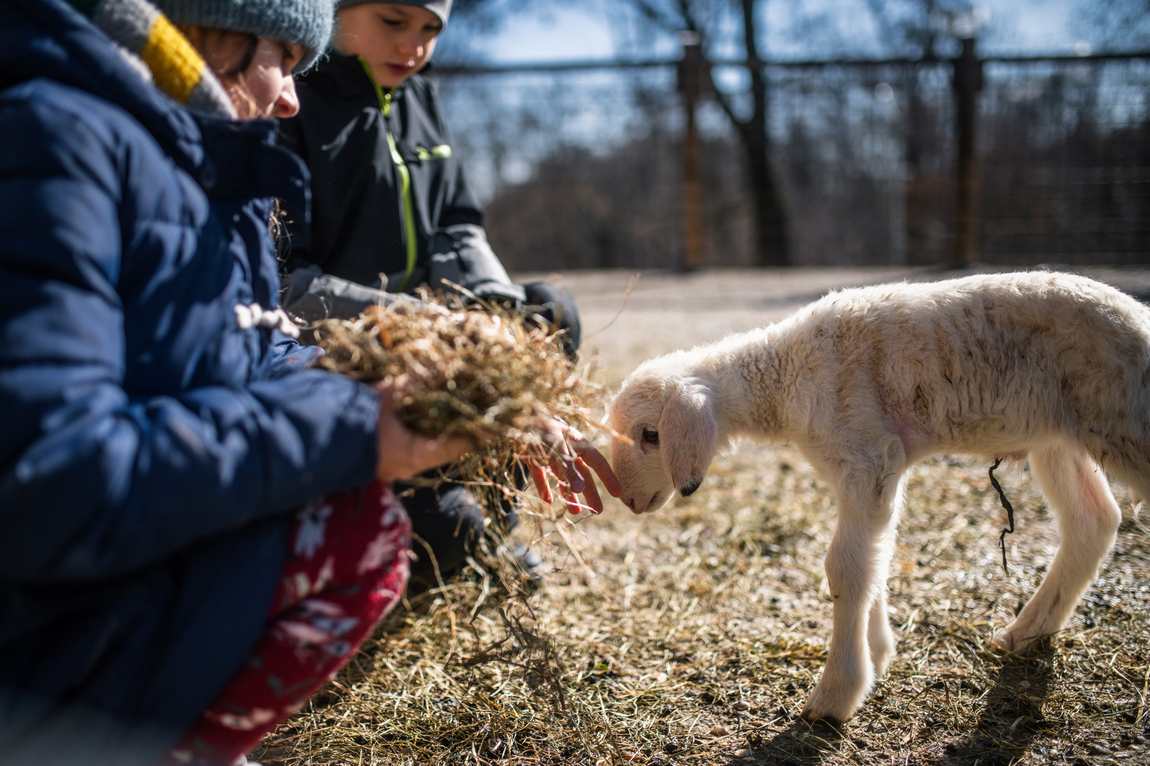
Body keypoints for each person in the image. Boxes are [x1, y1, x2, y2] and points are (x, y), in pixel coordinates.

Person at [0, 1, 618, 764]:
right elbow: (52, 484)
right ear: (213, 35)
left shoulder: (210, 160)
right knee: (369, 533)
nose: (291, 95)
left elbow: (260, 348)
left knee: (388, 512)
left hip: (131, 532)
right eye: (286, 60)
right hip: (38, 618)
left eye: (432, 29)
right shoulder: (56, 142)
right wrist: (359, 420)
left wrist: (456, 381)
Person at [280, 0, 584, 590]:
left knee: (546, 311)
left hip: (434, 327)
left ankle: (492, 505)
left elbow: (456, 225)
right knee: (442, 548)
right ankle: (446, 520)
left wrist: (495, 308)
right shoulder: (293, 100)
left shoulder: (419, 96)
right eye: (393, 22)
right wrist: (428, 322)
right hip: (355, 354)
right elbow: (289, 285)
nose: (413, 48)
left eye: (430, 31)